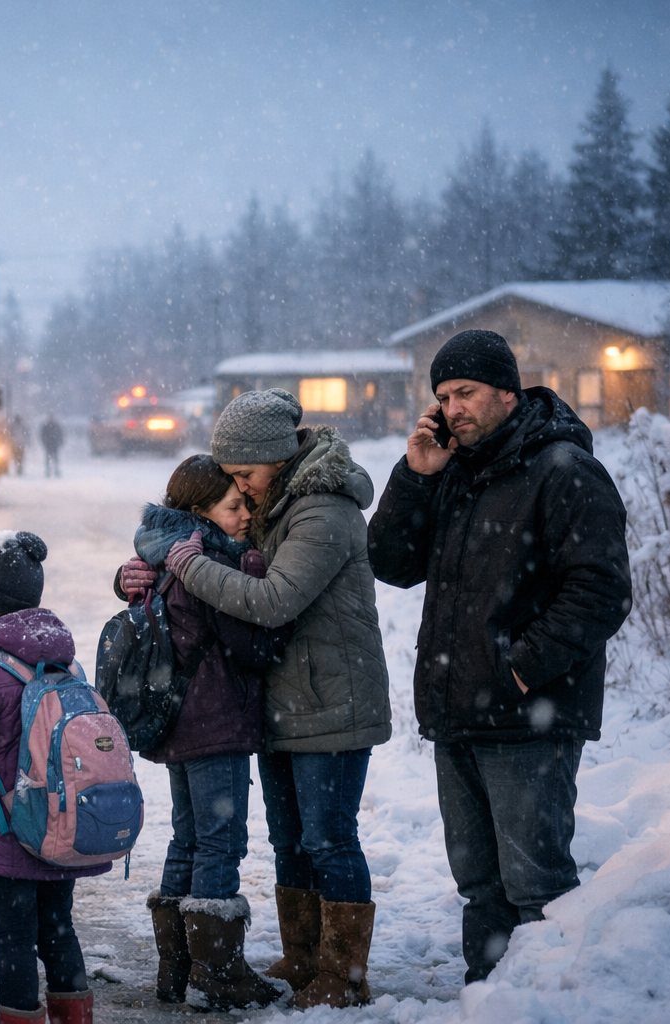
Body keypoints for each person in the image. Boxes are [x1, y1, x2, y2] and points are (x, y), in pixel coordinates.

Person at [366, 330, 630, 984]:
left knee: (537, 886)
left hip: (528, 717)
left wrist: (520, 667)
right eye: (443, 397)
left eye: (466, 392)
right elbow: (391, 562)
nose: (452, 408)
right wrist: (415, 476)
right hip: (458, 712)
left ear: (508, 391)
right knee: (480, 885)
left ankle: (550, 1001)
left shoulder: (563, 470)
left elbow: (601, 590)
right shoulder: (454, 471)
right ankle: (486, 999)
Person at [121, 388, 391, 1009]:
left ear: (276, 457)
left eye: (244, 473)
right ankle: (303, 956)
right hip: (278, 703)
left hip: (330, 700)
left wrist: (184, 565)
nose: (239, 488)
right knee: (290, 841)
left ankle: (344, 974)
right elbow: (203, 538)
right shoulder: (272, 502)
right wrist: (138, 572)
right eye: (233, 478)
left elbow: (272, 600)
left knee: (330, 839)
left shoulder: (322, 512)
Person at [129, 455, 289, 1011]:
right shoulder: (210, 564)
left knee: (188, 838)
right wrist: (262, 584)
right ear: (201, 512)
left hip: (179, 722)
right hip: (215, 722)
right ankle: (216, 975)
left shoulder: (163, 554)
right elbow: (254, 646)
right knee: (220, 842)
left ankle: (176, 970)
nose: (245, 515)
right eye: (233, 506)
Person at [0, 531, 99, 1024]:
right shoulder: (65, 661)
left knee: (13, 942)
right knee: (58, 931)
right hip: (57, 824)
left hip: (4, 829)